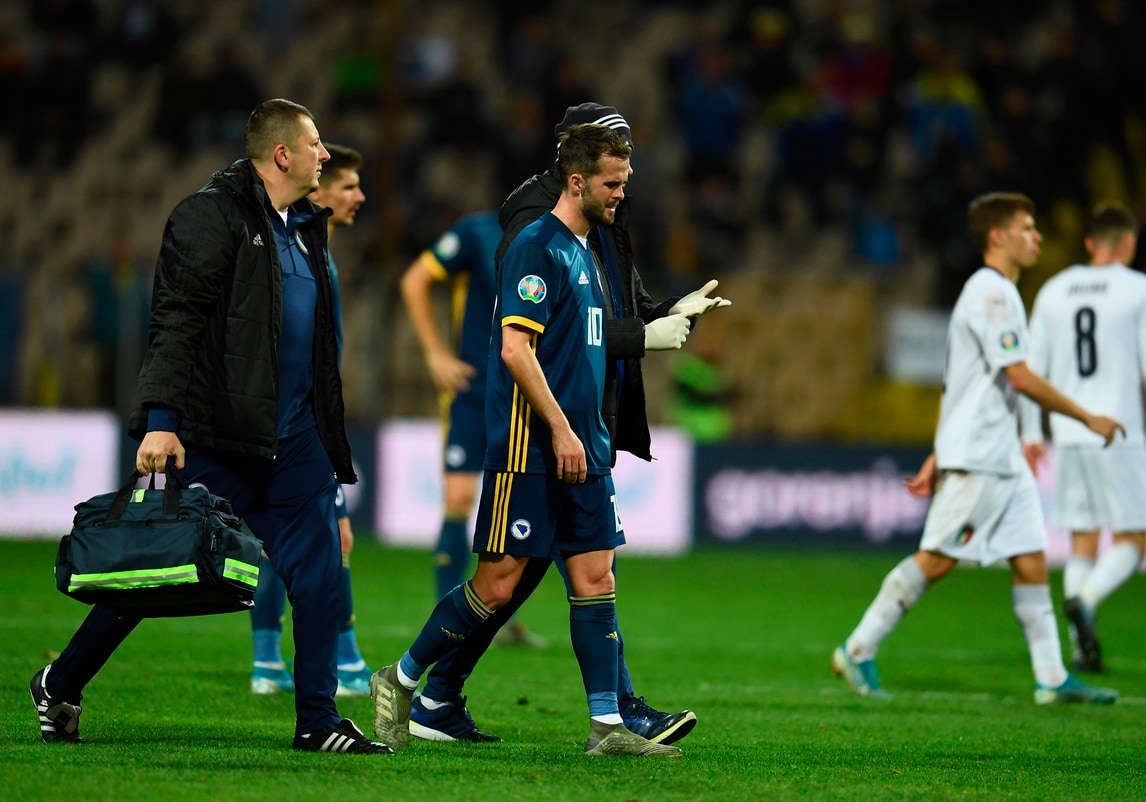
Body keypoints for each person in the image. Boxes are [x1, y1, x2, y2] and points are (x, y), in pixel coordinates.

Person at [30, 99, 392, 754]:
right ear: (282, 154)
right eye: (314, 144)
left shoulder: (306, 228)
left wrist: (325, 438)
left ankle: (317, 722)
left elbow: (314, 349)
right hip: (219, 436)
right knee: (153, 574)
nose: (324, 154)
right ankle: (60, 681)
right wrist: (161, 422)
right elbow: (176, 321)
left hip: (294, 442)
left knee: (319, 579)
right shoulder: (208, 216)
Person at [403, 103, 727, 746]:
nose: (624, 184)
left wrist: (667, 314)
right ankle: (412, 682)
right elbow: (540, 339)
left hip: (584, 428)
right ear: (576, 168)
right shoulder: (536, 227)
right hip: (538, 436)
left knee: (586, 576)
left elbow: (608, 310)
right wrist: (635, 345)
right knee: (502, 583)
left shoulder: (592, 228)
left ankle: (607, 718)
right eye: (615, 165)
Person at [830, 191, 1123, 705]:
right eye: (1027, 228)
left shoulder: (1000, 293)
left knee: (1030, 561)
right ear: (998, 235)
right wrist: (1087, 416)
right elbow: (1020, 377)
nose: (1036, 237)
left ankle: (1052, 677)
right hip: (981, 456)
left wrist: (936, 452)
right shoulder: (991, 293)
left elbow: (959, 385)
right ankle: (858, 647)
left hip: (1000, 455)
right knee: (938, 560)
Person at [249, 144, 376, 697]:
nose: (359, 196)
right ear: (319, 193)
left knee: (285, 542)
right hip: (297, 424)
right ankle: (343, 664)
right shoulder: (305, 256)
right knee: (327, 538)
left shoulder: (311, 251)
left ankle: (267, 660)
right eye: (348, 186)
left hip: (292, 420)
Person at [398, 209, 547, 647]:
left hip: (524, 393)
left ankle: (499, 618)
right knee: (460, 499)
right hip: (473, 390)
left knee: (518, 509)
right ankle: (446, 619)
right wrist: (434, 352)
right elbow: (415, 279)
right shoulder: (478, 232)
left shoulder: (552, 239)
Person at [1019, 202, 1146, 673]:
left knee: (1083, 539)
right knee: (1134, 537)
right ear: (1129, 243)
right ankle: (1086, 600)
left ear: (1090, 243)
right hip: (1118, 429)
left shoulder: (1054, 290)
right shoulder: (1138, 289)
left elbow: (1030, 370)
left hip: (1068, 431)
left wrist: (1031, 431)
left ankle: (1080, 649)